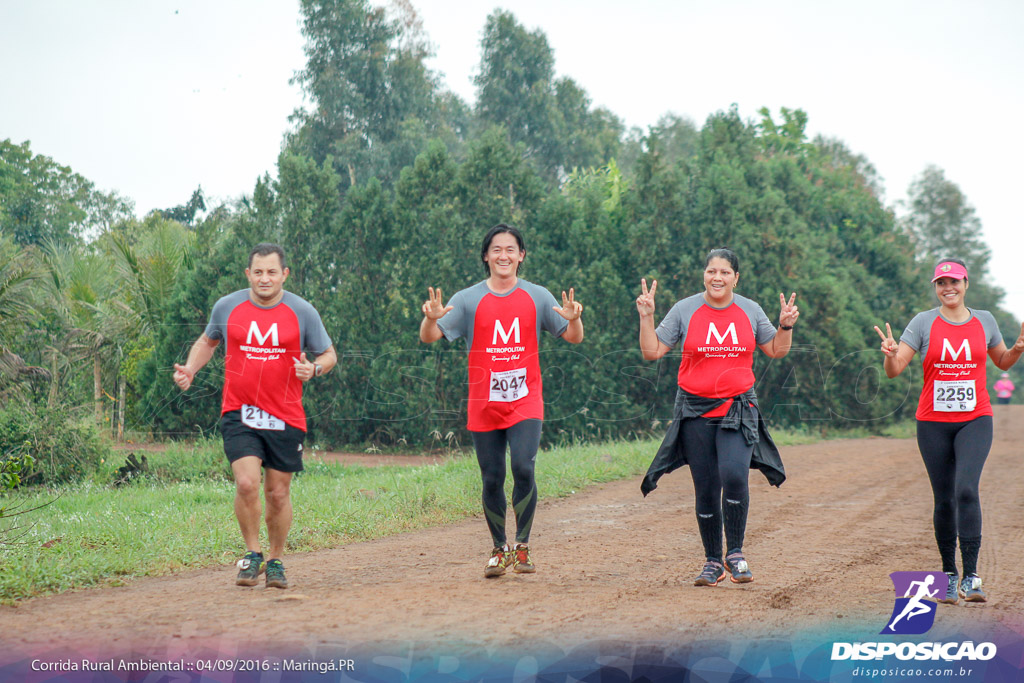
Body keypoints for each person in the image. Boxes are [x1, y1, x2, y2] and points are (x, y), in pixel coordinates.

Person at [420, 224, 583, 578]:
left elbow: (572, 336)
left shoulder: (538, 296)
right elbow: (430, 336)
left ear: (521, 255)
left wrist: (576, 318)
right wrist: (430, 318)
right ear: (486, 256)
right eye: (496, 249)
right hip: (483, 402)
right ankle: (499, 549)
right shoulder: (467, 299)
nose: (503, 255)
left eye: (510, 249)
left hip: (526, 400)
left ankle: (522, 547)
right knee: (491, 478)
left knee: (523, 468)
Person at [173, 243, 336, 589]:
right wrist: (190, 369)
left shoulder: (302, 311)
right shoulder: (228, 306)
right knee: (247, 483)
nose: (265, 279)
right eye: (258, 272)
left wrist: (315, 369)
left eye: (272, 272)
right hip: (240, 412)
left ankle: (276, 560)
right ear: (248, 274)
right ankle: (253, 554)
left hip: (285, 415)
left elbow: (329, 354)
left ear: (284, 275)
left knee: (278, 493)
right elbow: (207, 341)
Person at [637, 248, 797, 587]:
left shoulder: (750, 310)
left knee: (735, 475)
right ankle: (713, 562)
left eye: (725, 272)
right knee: (706, 488)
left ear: (735, 277)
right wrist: (647, 316)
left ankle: (735, 553)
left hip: (737, 407)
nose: (717, 278)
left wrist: (785, 325)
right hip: (694, 409)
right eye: (712, 271)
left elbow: (776, 350)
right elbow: (651, 352)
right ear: (704, 275)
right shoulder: (685, 309)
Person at [875, 258, 1024, 604]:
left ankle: (971, 576)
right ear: (936, 288)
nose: (948, 288)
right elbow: (895, 370)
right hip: (932, 423)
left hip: (975, 419)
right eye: (941, 283)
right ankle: (947, 573)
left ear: (965, 283)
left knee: (967, 490)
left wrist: (1016, 349)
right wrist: (890, 353)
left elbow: (1001, 361)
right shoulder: (923, 323)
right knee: (944, 499)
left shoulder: (985, 320)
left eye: (954, 281)